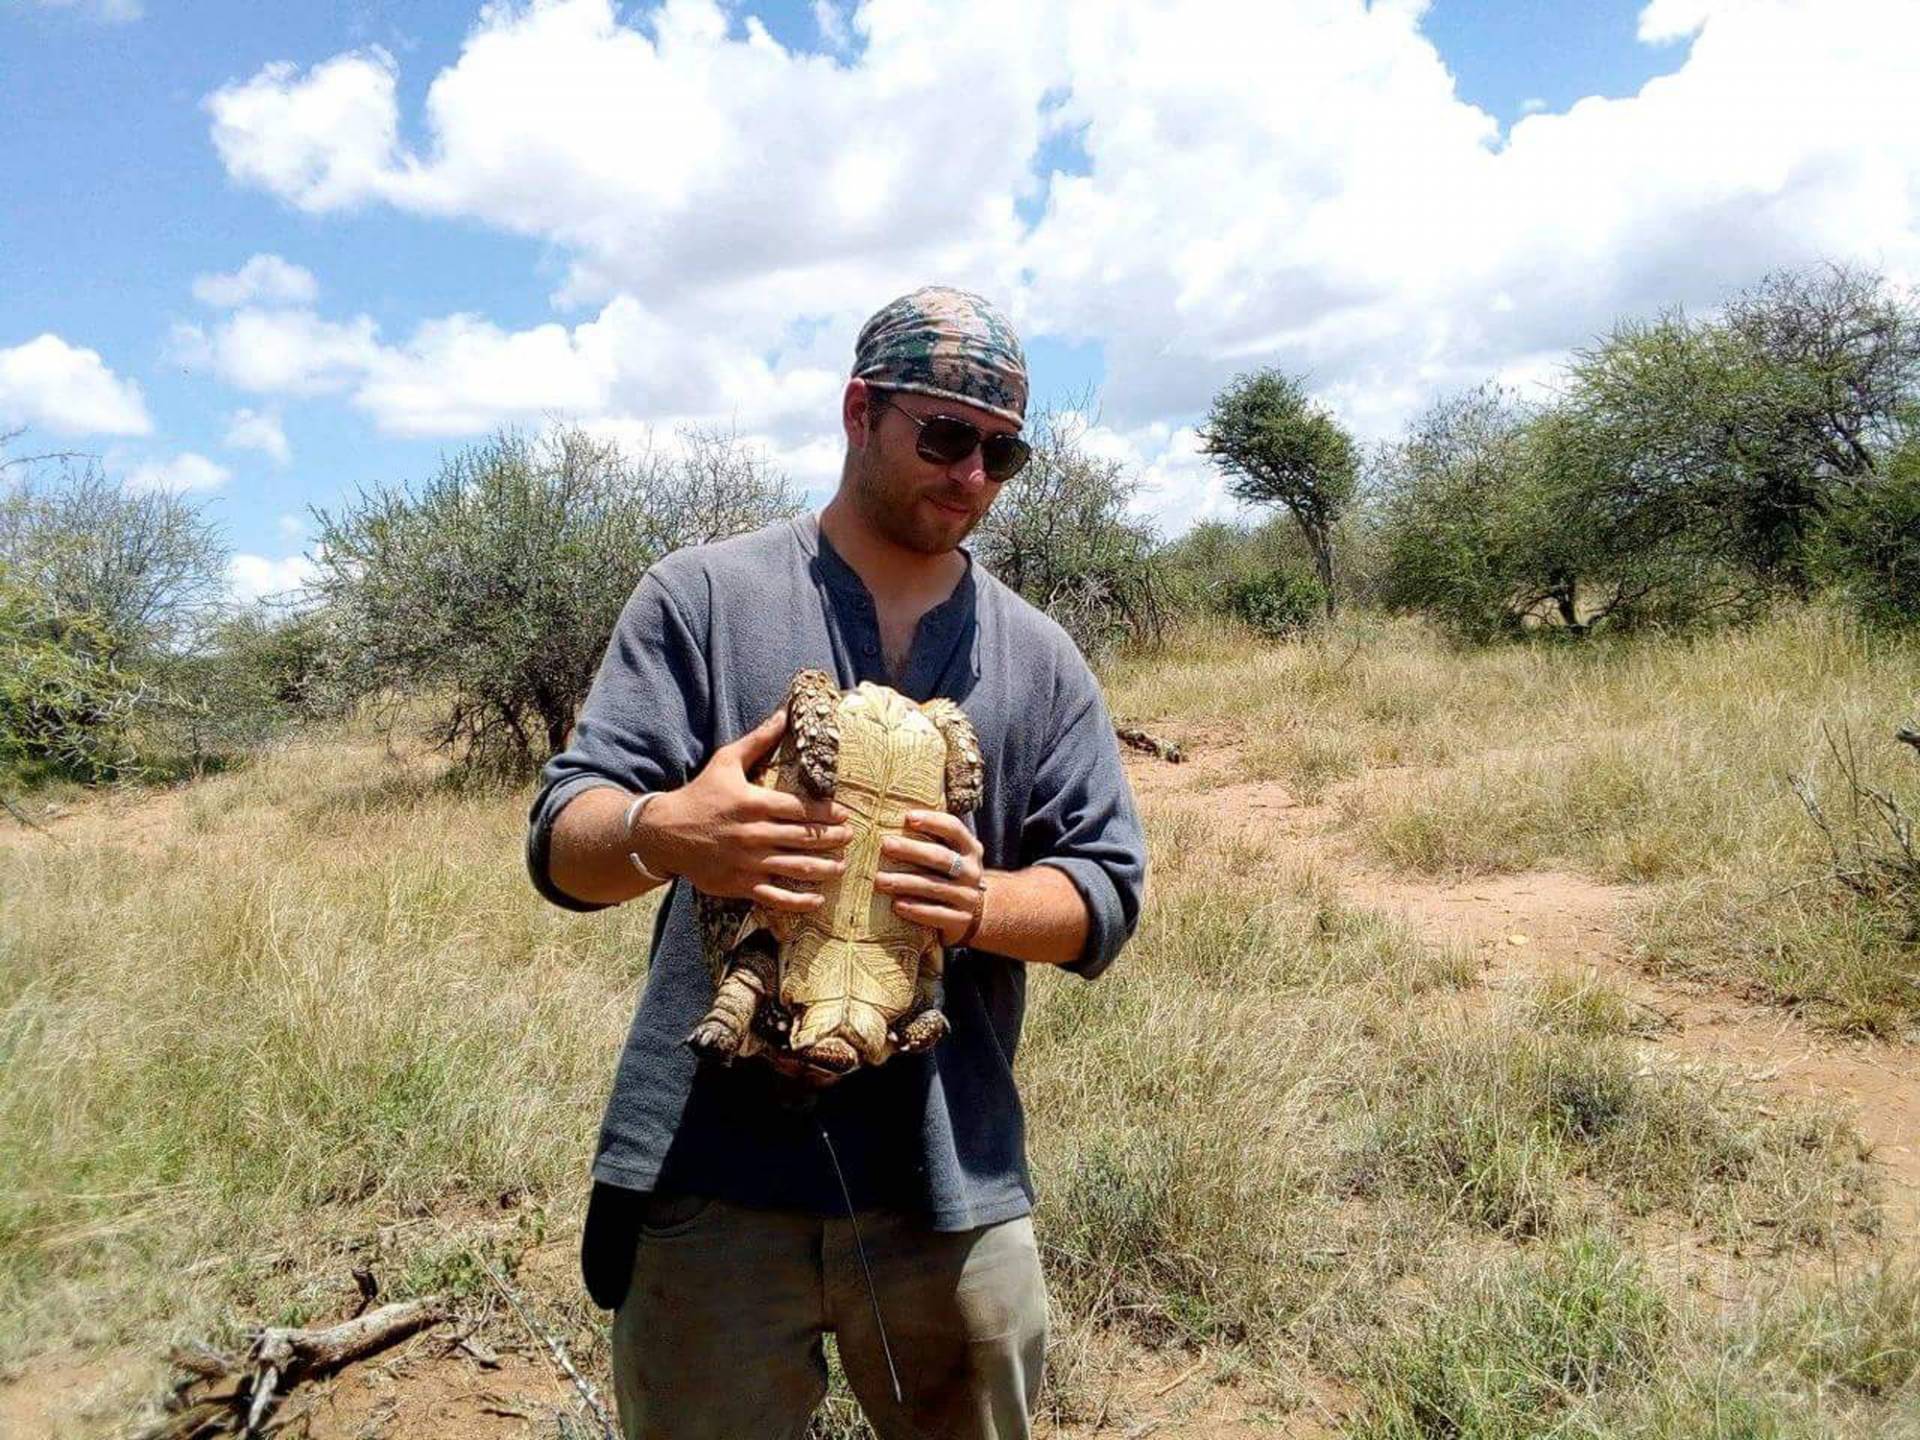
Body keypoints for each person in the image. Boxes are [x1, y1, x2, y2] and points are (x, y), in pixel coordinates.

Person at [525, 285, 1149, 1440]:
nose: (973, 476)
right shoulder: (705, 598)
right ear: (860, 412)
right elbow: (564, 841)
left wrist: (982, 905)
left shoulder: (1038, 657)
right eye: (947, 436)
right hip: (709, 1170)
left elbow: (1106, 892)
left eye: (1002, 453)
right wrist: (663, 832)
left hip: (945, 1176)